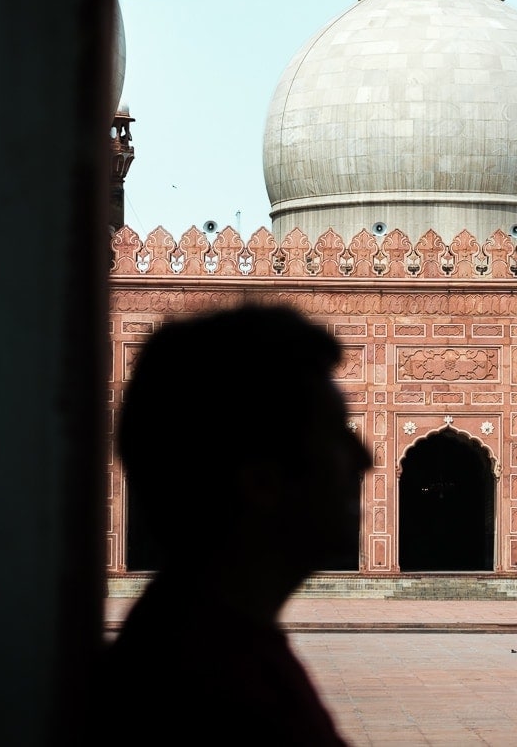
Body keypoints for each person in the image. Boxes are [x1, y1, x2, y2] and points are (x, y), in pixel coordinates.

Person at [98, 304, 371, 744]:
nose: (365, 460)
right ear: (261, 481)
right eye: (336, 435)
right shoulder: (212, 693)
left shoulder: (206, 644)